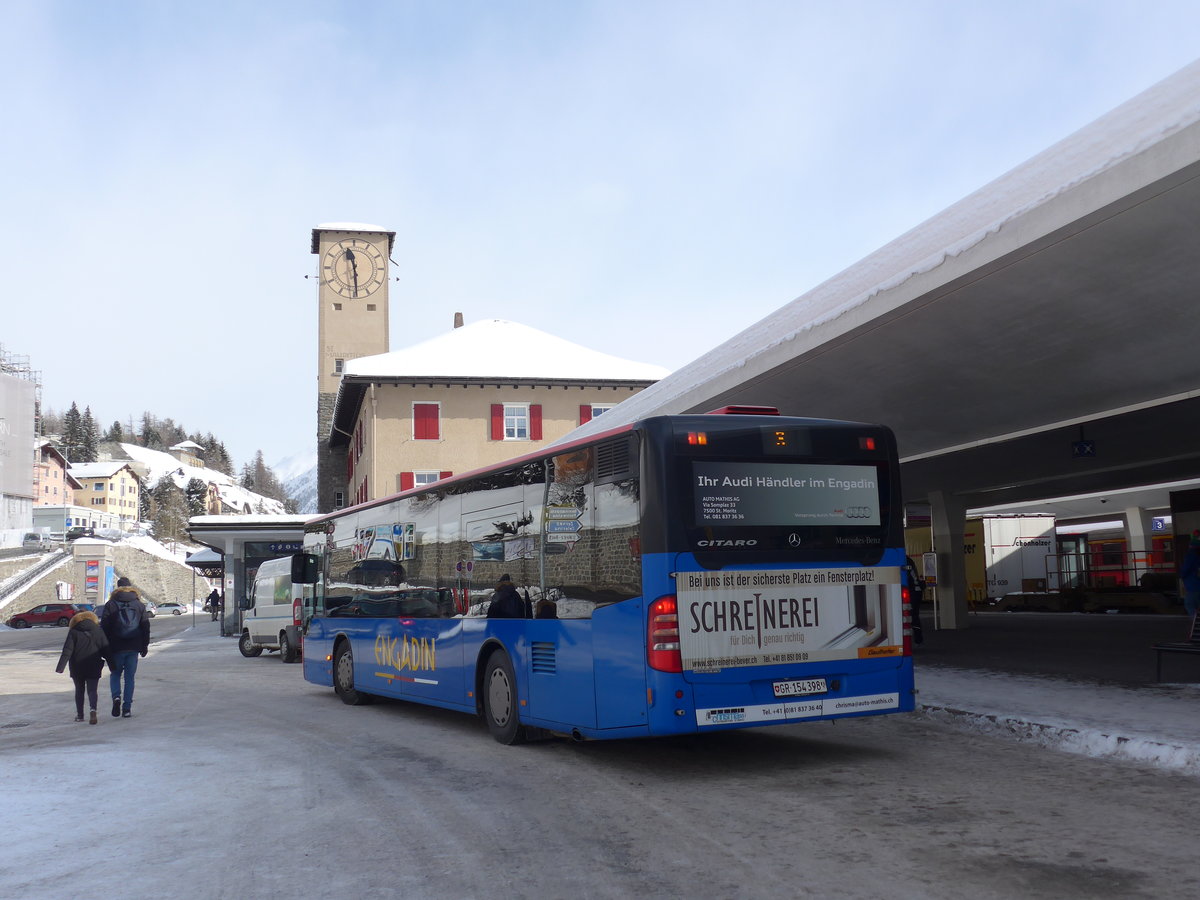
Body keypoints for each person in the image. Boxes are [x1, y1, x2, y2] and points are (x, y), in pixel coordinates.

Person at [99, 577, 150, 718]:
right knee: (129, 678)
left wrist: (104, 647)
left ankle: (116, 697)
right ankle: (127, 708)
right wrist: (144, 646)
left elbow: (104, 627)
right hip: (133, 647)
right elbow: (145, 627)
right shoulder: (139, 604)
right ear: (130, 587)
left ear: (118, 587)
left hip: (115, 647)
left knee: (115, 674)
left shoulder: (111, 604)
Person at [55, 609, 110, 724]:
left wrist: (60, 667)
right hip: (94, 664)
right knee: (92, 690)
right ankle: (93, 709)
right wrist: (113, 665)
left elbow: (67, 650)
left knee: (79, 690)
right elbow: (105, 649)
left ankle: (80, 715)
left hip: (77, 666)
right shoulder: (98, 630)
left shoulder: (73, 631)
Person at [905, 556, 925, 646]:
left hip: (913, 591)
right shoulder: (908, 560)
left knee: (913, 615)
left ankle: (918, 638)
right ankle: (918, 638)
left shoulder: (905, 560)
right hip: (916, 590)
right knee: (914, 615)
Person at [1179, 531, 1200, 618]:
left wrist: (1181, 575)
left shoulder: (1191, 555)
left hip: (1193, 586)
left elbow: (1185, 570)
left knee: (1190, 605)